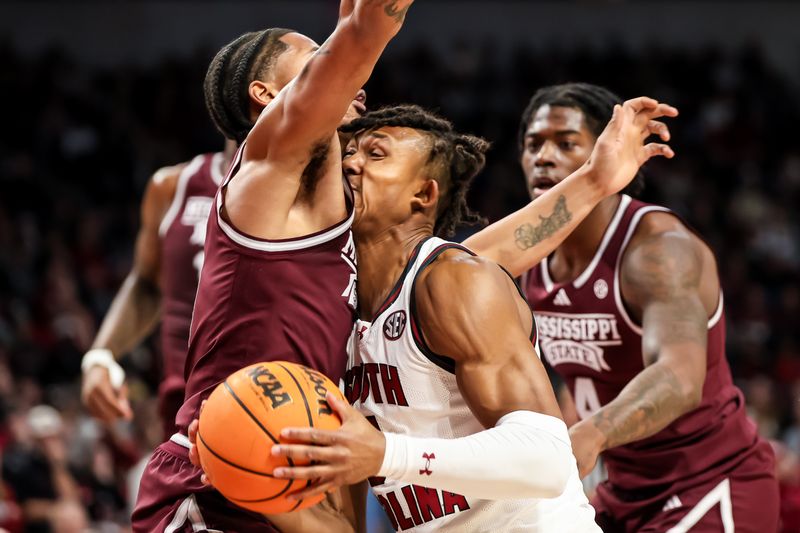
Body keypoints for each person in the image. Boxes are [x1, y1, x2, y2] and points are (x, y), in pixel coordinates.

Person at [265, 97, 676, 531]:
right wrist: (242, 472)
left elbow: (548, 459)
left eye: (376, 153)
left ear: (423, 194)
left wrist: (386, 453)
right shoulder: (341, 314)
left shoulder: (455, 281)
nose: (350, 164)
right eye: (347, 153)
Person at [131, 1, 415, 530]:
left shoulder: (342, 212)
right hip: (214, 470)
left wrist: (589, 186)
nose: (345, 76)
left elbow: (451, 266)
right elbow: (364, 33)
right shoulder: (265, 166)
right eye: (315, 60)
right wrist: (357, 29)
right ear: (267, 95)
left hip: (295, 466)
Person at [507, 82, 777, 532]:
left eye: (566, 142)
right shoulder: (530, 262)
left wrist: (588, 437)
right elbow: (586, 375)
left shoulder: (658, 250)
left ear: (607, 155)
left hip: (709, 484)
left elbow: (680, 375)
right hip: (623, 491)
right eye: (533, 144)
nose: (544, 156)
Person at [81, 141, 236, 439]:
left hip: (269, 403)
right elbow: (148, 284)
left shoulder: (310, 187)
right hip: (184, 414)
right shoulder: (174, 185)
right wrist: (99, 356)